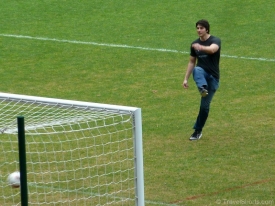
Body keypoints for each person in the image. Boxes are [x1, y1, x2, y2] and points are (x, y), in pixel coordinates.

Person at [182, 19, 221, 141]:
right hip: (201, 75)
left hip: (213, 78)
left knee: (204, 107)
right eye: (197, 28)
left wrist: (201, 47)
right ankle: (197, 131)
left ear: (207, 29)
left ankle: (199, 130)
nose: (199, 30)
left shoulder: (215, 40)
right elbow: (191, 62)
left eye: (201, 28)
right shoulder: (194, 44)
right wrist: (185, 79)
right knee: (197, 69)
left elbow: (212, 50)